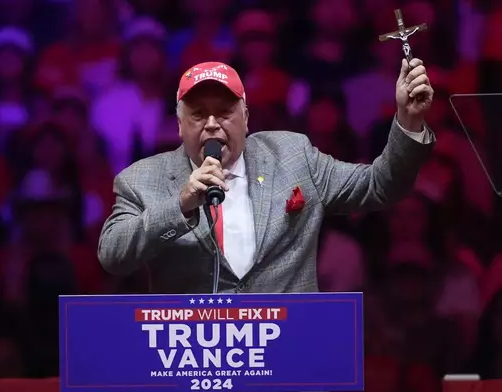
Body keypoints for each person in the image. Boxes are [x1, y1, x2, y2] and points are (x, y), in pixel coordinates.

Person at [98, 59, 435, 293]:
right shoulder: (142, 180)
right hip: (194, 362)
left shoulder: (292, 156)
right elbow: (112, 255)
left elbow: (380, 186)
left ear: (246, 118)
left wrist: (408, 120)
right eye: (198, 114)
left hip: (289, 356)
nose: (212, 124)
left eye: (226, 112)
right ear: (178, 125)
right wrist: (180, 205)